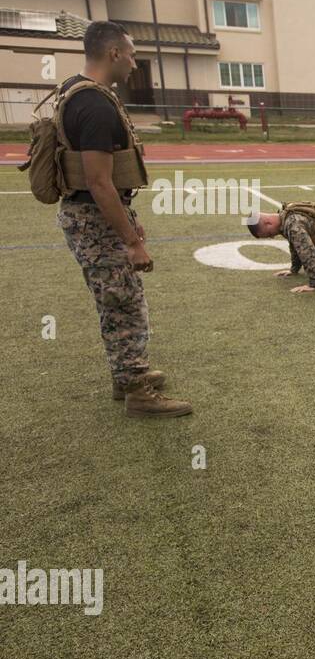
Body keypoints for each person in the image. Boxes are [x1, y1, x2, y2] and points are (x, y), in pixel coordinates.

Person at [50, 21, 191, 416]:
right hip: (93, 219)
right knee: (123, 302)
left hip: (88, 216)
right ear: (113, 53)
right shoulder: (93, 105)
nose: (133, 63)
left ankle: (124, 375)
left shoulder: (73, 89)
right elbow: (98, 182)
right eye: (130, 54)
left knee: (113, 300)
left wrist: (127, 220)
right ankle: (137, 390)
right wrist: (132, 241)